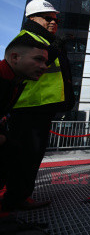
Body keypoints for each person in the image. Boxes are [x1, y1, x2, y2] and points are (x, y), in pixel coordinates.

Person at [1, 0, 74, 211]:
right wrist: (55, 47)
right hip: (29, 107)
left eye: (56, 19)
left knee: (32, 154)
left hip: (41, 107)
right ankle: (15, 199)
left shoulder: (45, 40)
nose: (54, 22)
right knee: (26, 155)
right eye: (48, 18)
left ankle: (20, 196)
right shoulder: (28, 38)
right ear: (32, 18)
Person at [0, 35, 49, 192]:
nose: (44, 67)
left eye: (46, 62)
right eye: (38, 59)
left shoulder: (13, 81)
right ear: (15, 57)